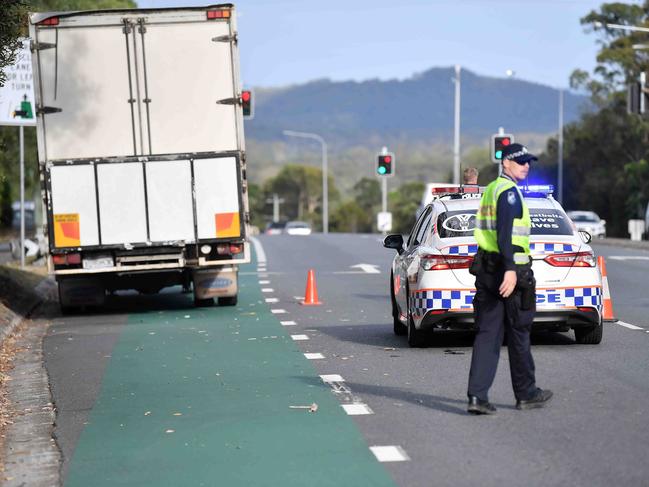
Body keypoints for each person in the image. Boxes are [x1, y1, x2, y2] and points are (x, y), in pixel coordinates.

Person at [466, 143, 552, 414]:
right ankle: (526, 393)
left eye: (528, 161)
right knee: (518, 332)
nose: (526, 165)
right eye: (520, 161)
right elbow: (505, 234)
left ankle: (477, 397)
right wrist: (512, 270)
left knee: (488, 334)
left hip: (488, 271)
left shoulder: (491, 189)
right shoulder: (509, 193)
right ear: (506, 163)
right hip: (509, 272)